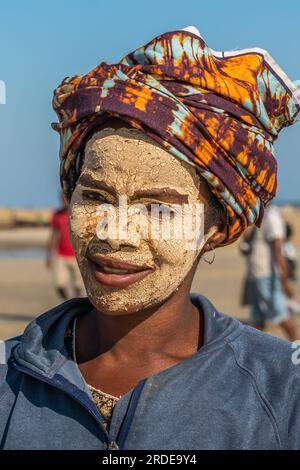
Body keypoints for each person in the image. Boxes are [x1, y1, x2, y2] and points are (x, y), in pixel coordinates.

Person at [1, 26, 300, 450]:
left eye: (156, 207)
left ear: (215, 227)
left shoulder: (282, 394)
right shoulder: (9, 378)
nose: (114, 232)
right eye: (96, 197)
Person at [243, 205, 298, 340]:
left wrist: (285, 281)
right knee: (258, 319)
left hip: (268, 276)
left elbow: (279, 250)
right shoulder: (258, 215)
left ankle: (297, 347)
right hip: (256, 275)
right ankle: (252, 353)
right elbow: (248, 241)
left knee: (281, 315)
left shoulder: (272, 217)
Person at [46, 193, 85, 299]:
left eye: (66, 198)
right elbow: (54, 235)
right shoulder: (57, 214)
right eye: (62, 198)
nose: (64, 201)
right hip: (61, 255)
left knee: (78, 285)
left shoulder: (78, 213)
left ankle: (75, 304)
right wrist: (48, 256)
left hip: (76, 255)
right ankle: (67, 301)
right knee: (59, 284)